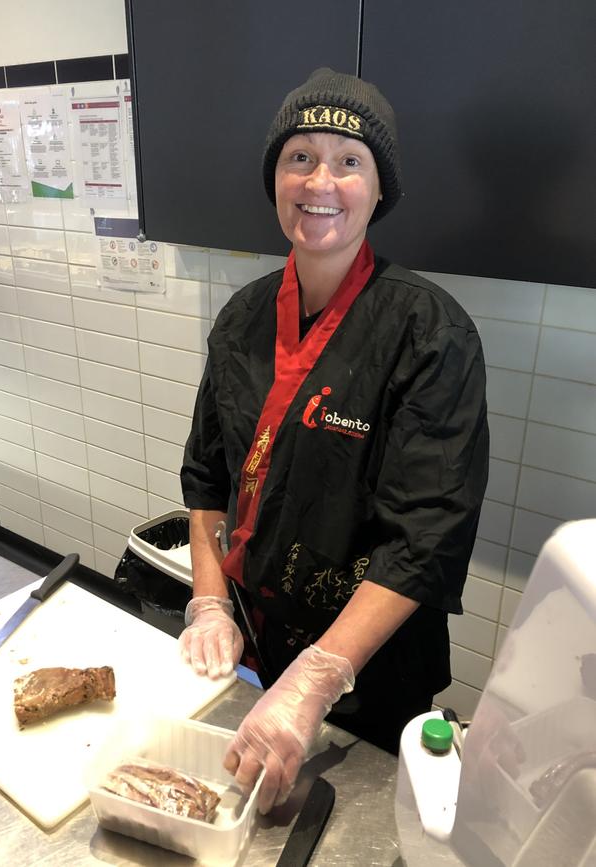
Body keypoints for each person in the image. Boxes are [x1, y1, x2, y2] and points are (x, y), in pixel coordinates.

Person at [179, 68, 489, 815]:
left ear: (381, 188)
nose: (321, 180)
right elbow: (205, 480)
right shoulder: (243, 318)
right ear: (275, 179)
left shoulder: (429, 333)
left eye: (350, 161)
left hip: (370, 685)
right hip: (251, 651)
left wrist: (319, 675)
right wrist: (210, 603)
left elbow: (427, 539)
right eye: (300, 157)